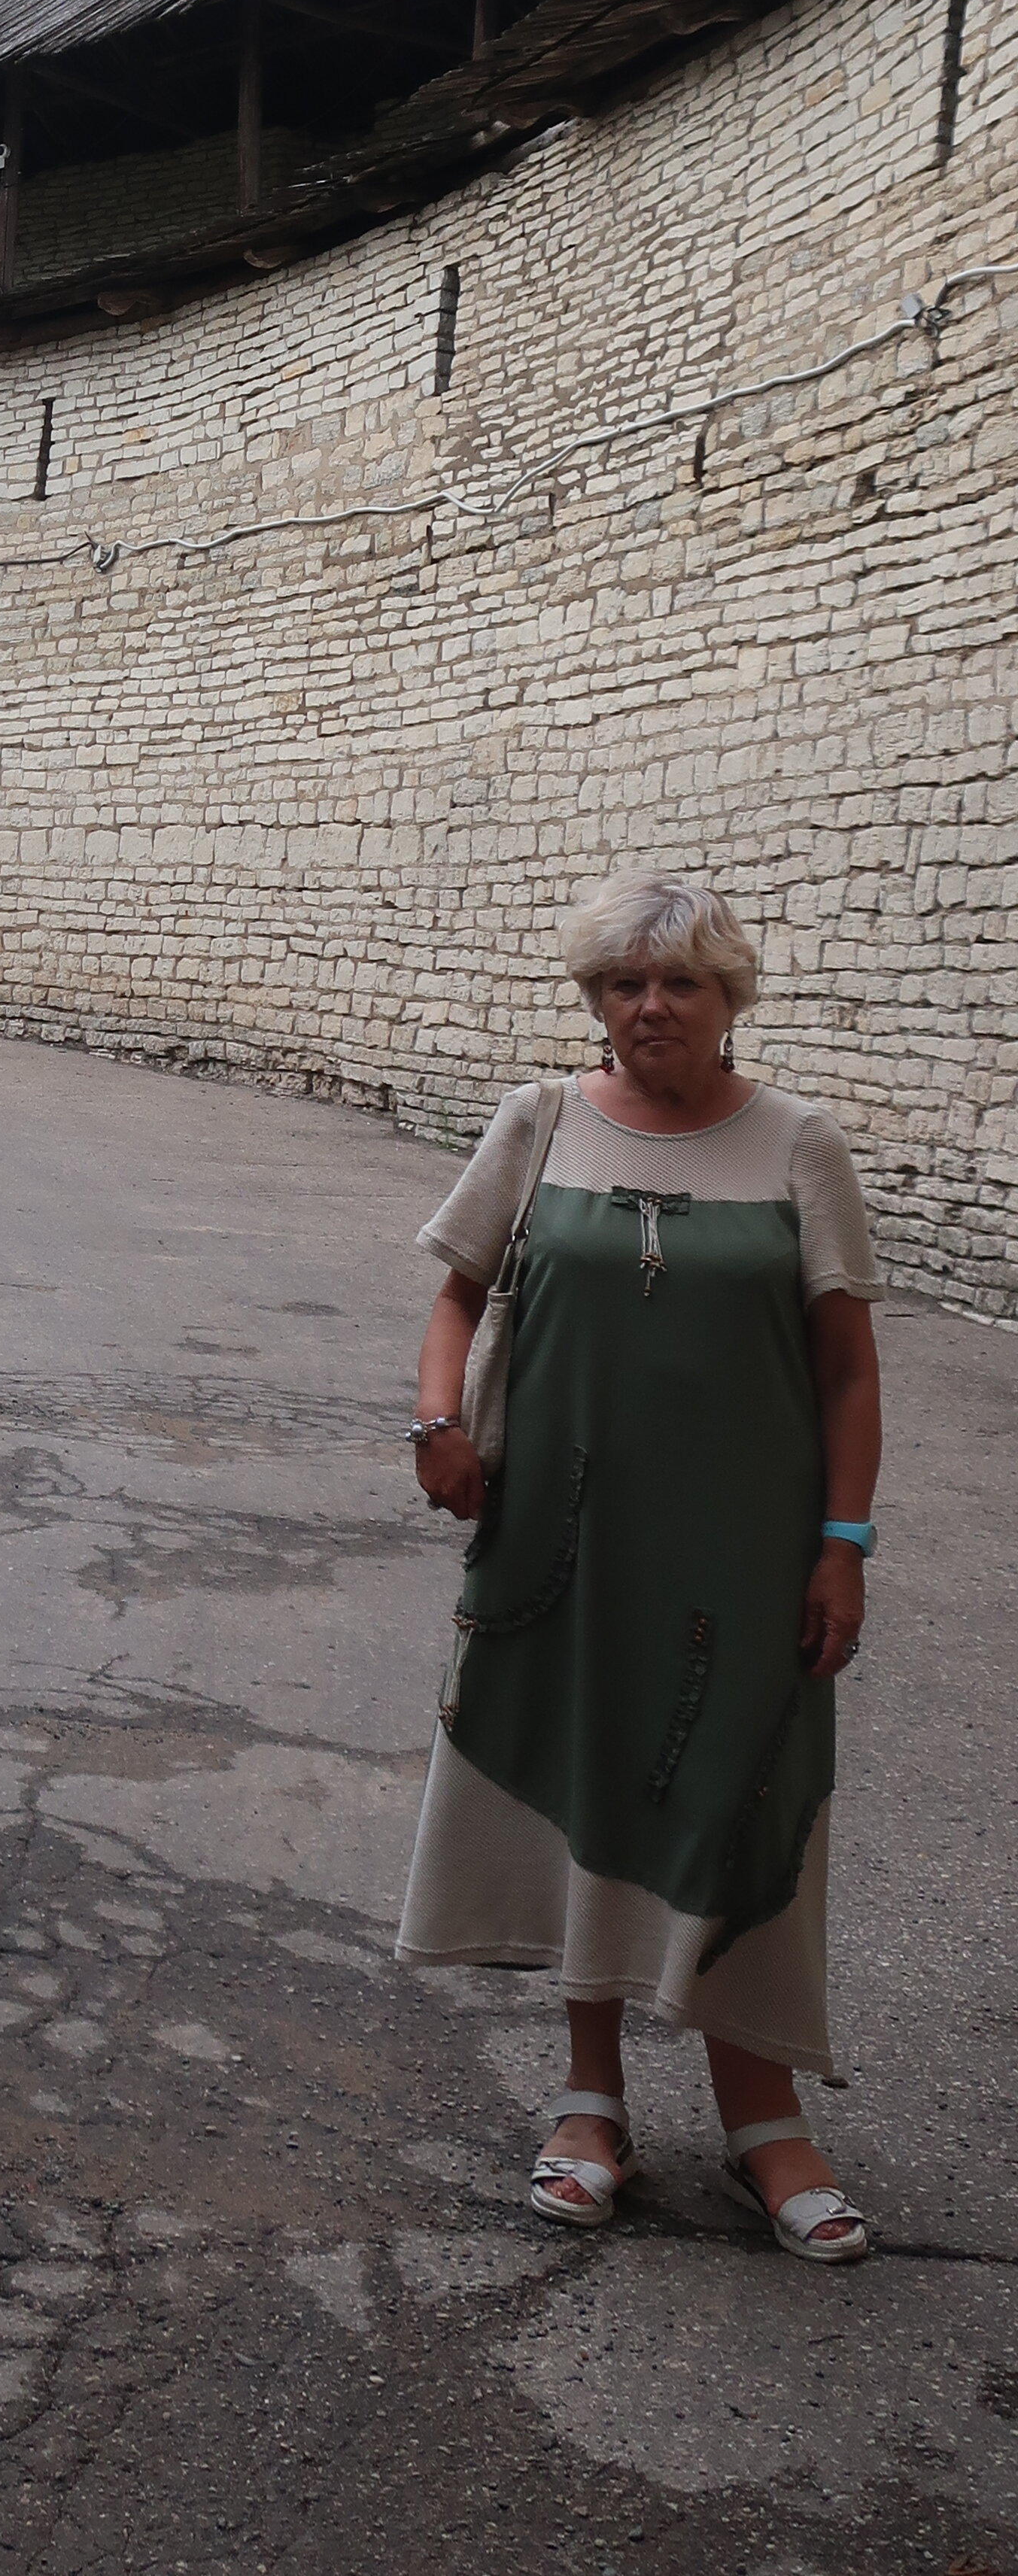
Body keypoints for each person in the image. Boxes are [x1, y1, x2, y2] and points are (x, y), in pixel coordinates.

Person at [394, 873, 882, 2264]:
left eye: (675, 983)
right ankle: (589, 2102)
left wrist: (842, 1546)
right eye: (620, 984)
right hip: (563, 1536)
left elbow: (848, 1374)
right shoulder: (540, 1122)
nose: (646, 1007)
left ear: (732, 998)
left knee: (747, 1799)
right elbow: (457, 1288)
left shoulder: (801, 1144)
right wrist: (438, 1421)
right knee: (587, 1787)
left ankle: (763, 2116)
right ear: (592, 1000)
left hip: (744, 1551)